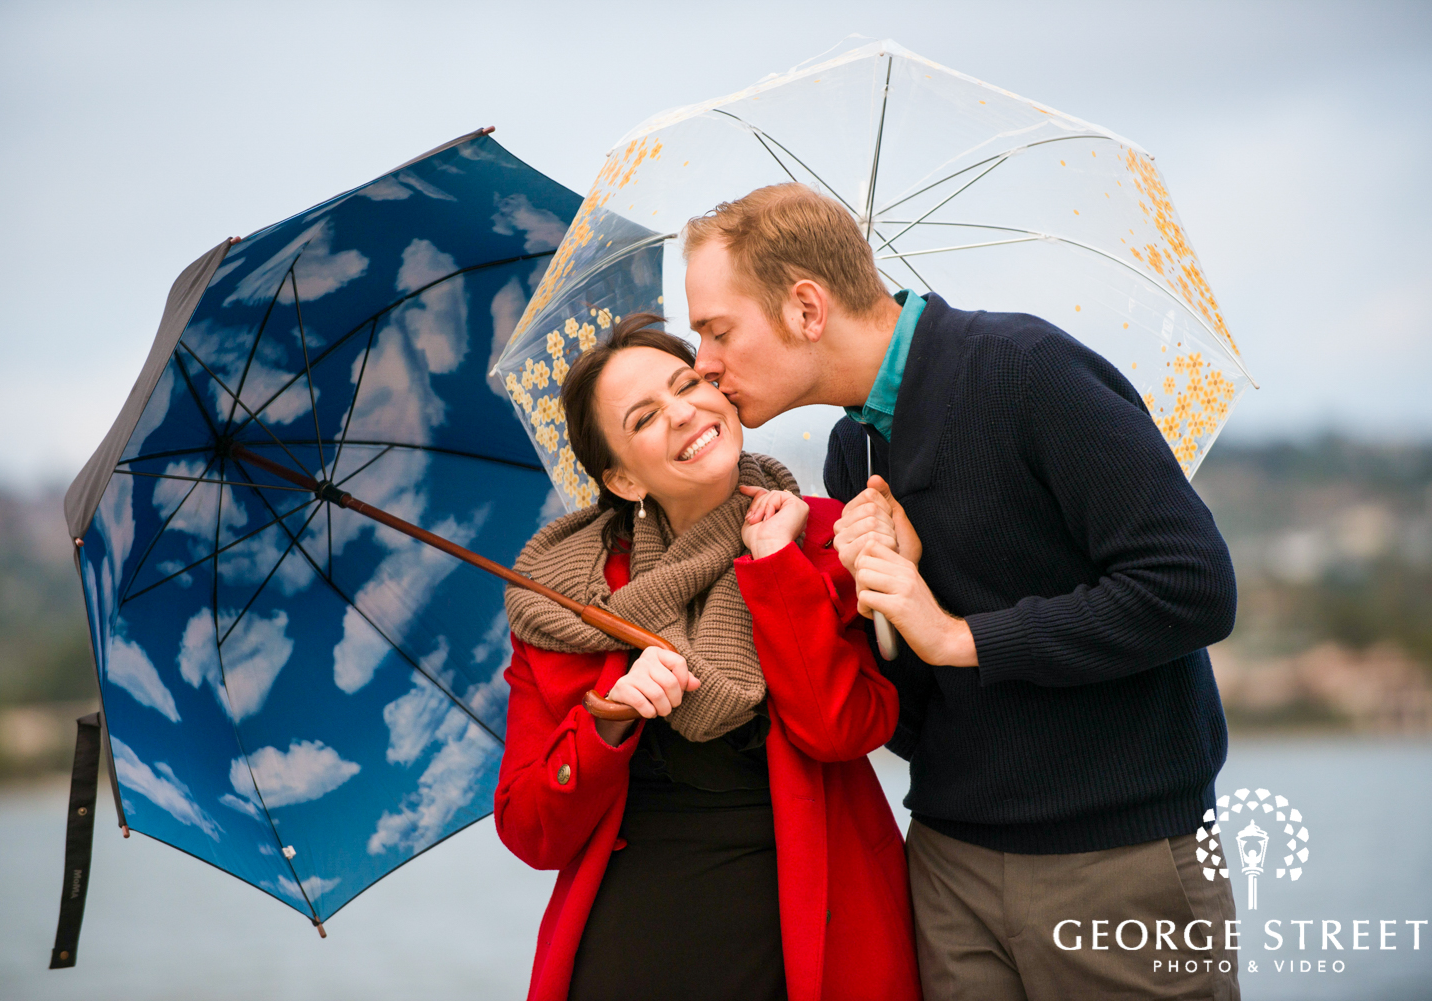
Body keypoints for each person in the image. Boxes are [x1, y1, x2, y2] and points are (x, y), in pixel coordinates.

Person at [684, 183, 1242, 1000]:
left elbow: (1192, 585)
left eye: (717, 330)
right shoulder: (853, 452)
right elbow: (915, 709)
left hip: (1117, 865)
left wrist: (956, 635)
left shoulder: (1025, 372)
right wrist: (880, 612)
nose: (702, 363)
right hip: (946, 865)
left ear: (807, 307)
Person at [494, 314, 921, 1001]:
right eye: (645, 417)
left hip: (813, 939)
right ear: (623, 479)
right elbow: (529, 830)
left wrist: (778, 564)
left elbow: (841, 729)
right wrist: (608, 721)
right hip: (629, 951)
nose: (684, 411)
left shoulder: (825, 533)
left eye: (687, 382)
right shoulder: (567, 598)